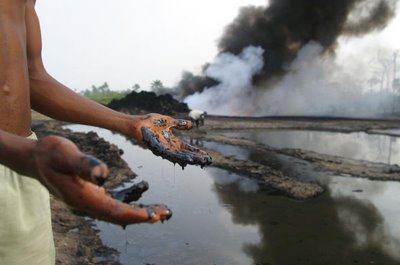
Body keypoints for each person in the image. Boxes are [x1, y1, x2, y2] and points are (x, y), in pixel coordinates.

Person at [0, 1, 211, 264]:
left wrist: (130, 122)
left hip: (25, 166)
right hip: (22, 156)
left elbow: (31, 77)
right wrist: (26, 155)